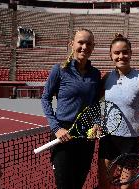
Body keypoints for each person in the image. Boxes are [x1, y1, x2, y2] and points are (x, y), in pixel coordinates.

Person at [41, 29, 101, 189]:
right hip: (63, 135)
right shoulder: (59, 70)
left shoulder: (96, 74)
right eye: (80, 42)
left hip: (85, 137)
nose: (84, 47)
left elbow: (94, 103)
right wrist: (56, 128)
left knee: (78, 184)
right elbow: (45, 98)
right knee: (64, 185)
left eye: (88, 44)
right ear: (72, 44)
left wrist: (96, 122)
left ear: (93, 47)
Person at [98, 33, 139, 189]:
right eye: (117, 53)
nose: (121, 56)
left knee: (126, 187)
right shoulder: (106, 78)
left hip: (130, 143)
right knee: (103, 185)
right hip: (108, 140)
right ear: (111, 55)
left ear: (131, 53)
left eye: (125, 52)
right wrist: (96, 122)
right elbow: (94, 103)